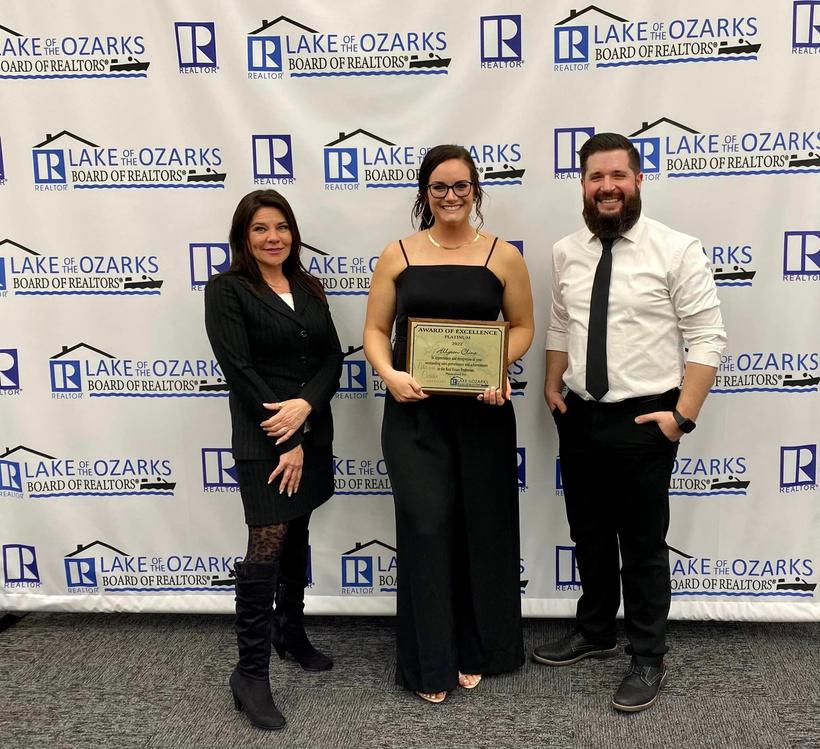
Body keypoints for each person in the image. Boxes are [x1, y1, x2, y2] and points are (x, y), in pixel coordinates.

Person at [533, 133, 726, 712]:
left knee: (641, 544)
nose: (607, 187)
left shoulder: (677, 250)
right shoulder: (566, 251)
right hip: (580, 415)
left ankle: (647, 655)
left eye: (618, 175)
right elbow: (562, 324)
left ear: (639, 179)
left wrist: (682, 417)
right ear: (583, 185)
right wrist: (552, 382)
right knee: (589, 534)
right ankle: (595, 631)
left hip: (646, 418)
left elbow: (707, 337)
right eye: (596, 177)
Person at [363, 144, 534, 703]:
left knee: (479, 528)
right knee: (427, 524)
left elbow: (523, 326)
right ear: (425, 193)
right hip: (414, 413)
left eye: (461, 185)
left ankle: (477, 649)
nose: (451, 195)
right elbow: (375, 331)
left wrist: (499, 366)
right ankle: (430, 661)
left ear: (475, 190)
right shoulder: (397, 254)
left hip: (483, 412)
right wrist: (389, 374)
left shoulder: (503, 256)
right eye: (439, 186)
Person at [205, 189, 342, 730]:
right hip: (265, 439)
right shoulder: (227, 290)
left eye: (281, 226)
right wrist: (287, 440)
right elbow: (239, 369)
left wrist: (306, 408)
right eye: (260, 228)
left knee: (297, 530)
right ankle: (250, 673)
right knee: (266, 544)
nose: (273, 237)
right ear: (244, 236)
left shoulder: (308, 286)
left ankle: (291, 631)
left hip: (311, 430)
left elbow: (332, 357)